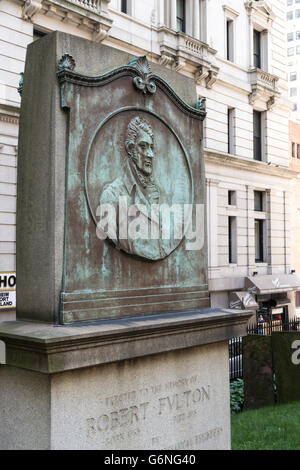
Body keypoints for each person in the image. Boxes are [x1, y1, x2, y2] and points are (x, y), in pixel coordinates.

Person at [97, 116, 175, 261]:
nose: (150, 154)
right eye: (143, 146)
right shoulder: (112, 196)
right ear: (131, 149)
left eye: (151, 147)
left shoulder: (154, 192)